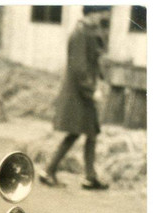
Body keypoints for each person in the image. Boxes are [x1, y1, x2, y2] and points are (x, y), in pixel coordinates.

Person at [41, 9, 110, 190]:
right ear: (92, 13)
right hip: (79, 93)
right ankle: (49, 170)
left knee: (90, 132)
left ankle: (89, 176)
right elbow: (79, 66)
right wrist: (91, 89)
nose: (104, 17)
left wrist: (101, 80)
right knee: (78, 131)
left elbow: (94, 61)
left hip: (84, 91)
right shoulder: (80, 33)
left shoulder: (90, 31)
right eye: (101, 13)